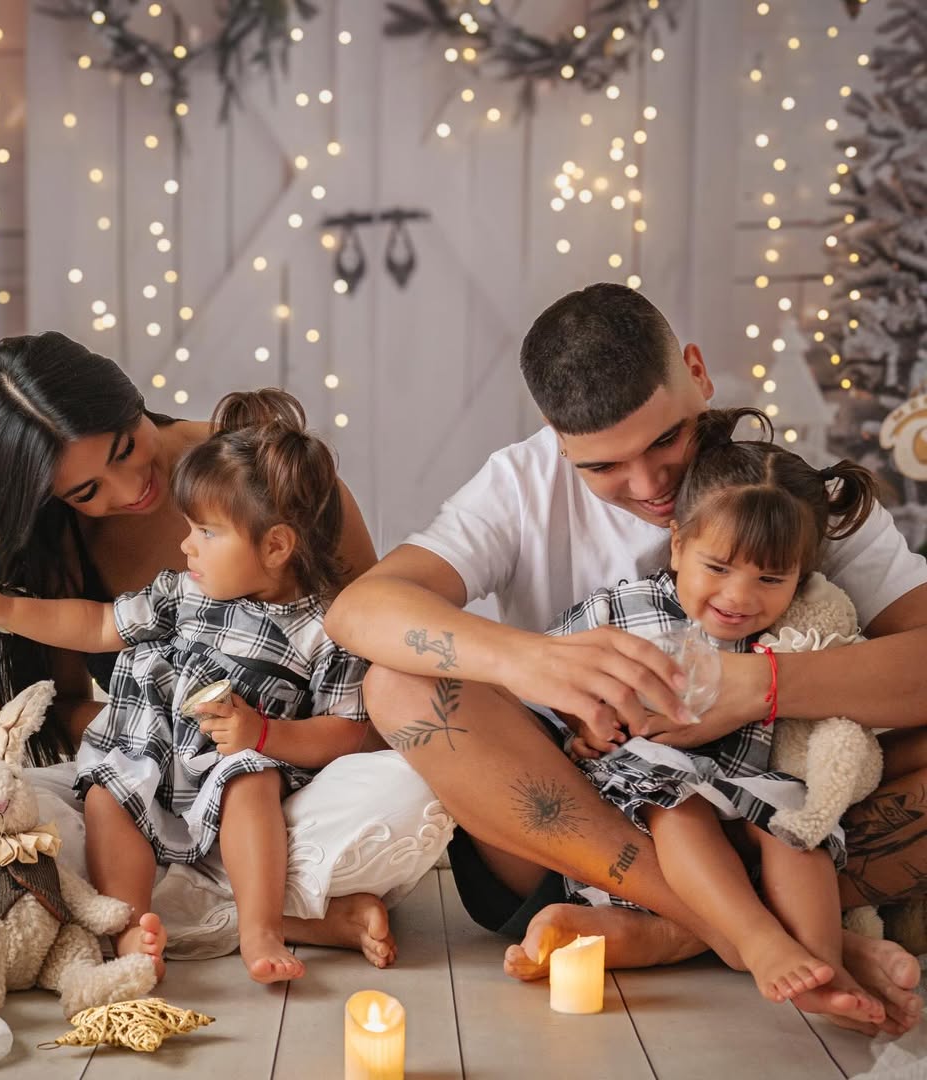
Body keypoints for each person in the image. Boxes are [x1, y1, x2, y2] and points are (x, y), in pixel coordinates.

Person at [324, 283, 927, 1035]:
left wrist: (757, 687)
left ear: (698, 375)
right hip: (579, 836)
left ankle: (695, 934)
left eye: (667, 440)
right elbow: (358, 612)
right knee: (400, 686)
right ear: (557, 438)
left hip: (769, 808)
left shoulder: (777, 495)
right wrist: (526, 660)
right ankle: (745, 932)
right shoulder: (520, 485)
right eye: (604, 466)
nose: (650, 487)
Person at [0, 332, 453, 967]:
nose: (128, 488)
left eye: (124, 450)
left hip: (265, 777)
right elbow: (93, 629)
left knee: (411, 786)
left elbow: (362, 721)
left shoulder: (268, 479)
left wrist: (262, 737)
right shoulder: (157, 581)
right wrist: (147, 740)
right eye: (87, 492)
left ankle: (241, 918)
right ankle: (274, 915)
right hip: (142, 766)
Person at [545, 405, 884, 1022]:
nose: (738, 596)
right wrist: (583, 726)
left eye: (770, 579)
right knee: (682, 807)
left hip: (749, 782)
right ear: (678, 544)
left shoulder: (798, 628)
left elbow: (852, 684)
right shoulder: (625, 609)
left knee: (795, 826)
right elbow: (549, 676)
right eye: (718, 568)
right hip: (652, 793)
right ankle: (758, 941)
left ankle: (826, 968)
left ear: (801, 577)